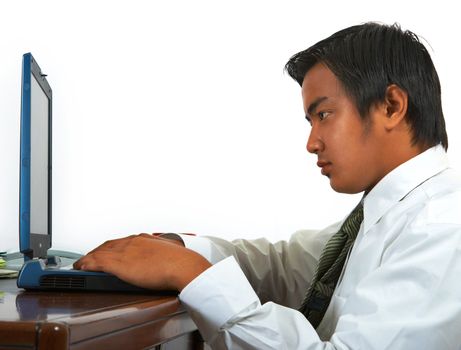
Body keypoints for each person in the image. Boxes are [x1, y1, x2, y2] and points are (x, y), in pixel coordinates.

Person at [74, 22, 461, 349]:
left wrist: (190, 274)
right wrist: (176, 249)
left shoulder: (439, 228)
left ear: (391, 106)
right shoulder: (384, 215)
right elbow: (281, 266)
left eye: (324, 114)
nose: (312, 143)